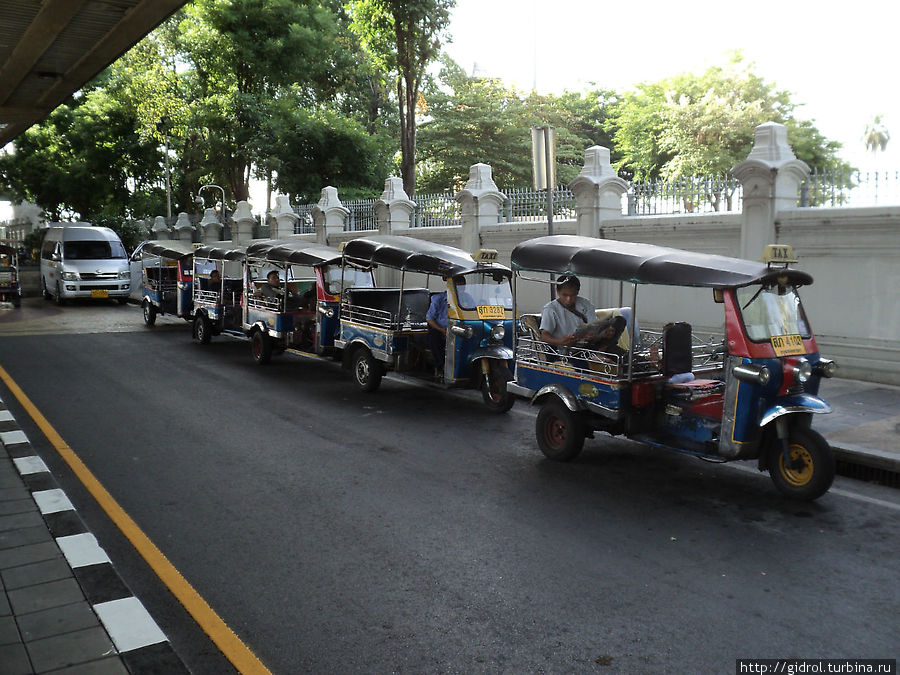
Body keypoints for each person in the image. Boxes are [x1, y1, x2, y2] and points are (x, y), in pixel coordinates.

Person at [539, 274, 597, 348]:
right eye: (565, 295)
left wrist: (593, 334)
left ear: (577, 292)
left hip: (587, 346)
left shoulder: (585, 304)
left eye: (573, 295)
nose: (568, 299)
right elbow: (544, 336)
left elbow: (594, 324)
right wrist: (560, 342)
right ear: (557, 292)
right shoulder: (550, 309)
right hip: (567, 352)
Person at [426, 286, 449, 376]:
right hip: (440, 329)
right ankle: (440, 365)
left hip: (460, 329)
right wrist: (442, 330)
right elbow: (429, 319)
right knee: (433, 337)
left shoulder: (467, 298)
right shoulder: (438, 298)